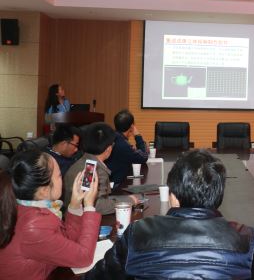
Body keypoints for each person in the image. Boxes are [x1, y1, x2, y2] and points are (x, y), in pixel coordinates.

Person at [86, 149, 254, 279]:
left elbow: (97, 277)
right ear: (218, 196)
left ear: (173, 196)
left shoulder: (137, 232)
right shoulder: (246, 238)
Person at [0, 149, 100, 279]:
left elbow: (66, 243)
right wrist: (89, 206)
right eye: (59, 175)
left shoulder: (25, 207)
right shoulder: (34, 226)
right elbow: (83, 258)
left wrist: (75, 205)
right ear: (43, 191)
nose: (62, 179)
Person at [63, 122, 137, 215]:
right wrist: (129, 201)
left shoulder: (84, 161)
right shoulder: (90, 169)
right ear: (108, 149)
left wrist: (125, 199)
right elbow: (95, 205)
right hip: (80, 220)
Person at [105, 109, 149, 187]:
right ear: (131, 126)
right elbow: (144, 157)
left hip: (110, 180)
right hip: (116, 186)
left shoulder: (113, 136)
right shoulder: (122, 144)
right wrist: (137, 135)